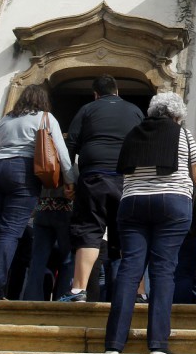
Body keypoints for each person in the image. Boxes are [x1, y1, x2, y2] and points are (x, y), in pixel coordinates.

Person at [104, 92, 196, 354]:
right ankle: (157, 343)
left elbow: (123, 169)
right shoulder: (184, 134)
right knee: (163, 270)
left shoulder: (134, 132)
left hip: (133, 202)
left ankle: (114, 343)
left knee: (129, 269)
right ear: (177, 115)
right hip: (172, 203)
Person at [0, 84, 75, 300]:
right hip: (22, 170)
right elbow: (61, 152)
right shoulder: (45, 117)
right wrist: (69, 181)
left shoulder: (6, 119)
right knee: (10, 231)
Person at [62, 75, 144, 303]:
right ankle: (137, 292)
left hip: (93, 177)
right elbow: (143, 144)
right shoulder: (135, 110)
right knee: (129, 234)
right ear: (117, 91)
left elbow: (71, 144)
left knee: (89, 230)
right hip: (125, 179)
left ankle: (78, 291)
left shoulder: (87, 109)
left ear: (96, 94)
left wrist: (69, 179)